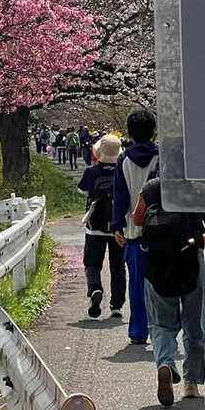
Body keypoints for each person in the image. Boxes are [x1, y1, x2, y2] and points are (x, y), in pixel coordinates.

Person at [130, 171, 205, 406]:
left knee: (160, 324)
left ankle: (165, 364)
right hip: (191, 261)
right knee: (194, 325)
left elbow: (137, 219)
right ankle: (191, 383)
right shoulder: (199, 189)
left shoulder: (150, 188)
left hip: (157, 263)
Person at [110, 109, 160, 345]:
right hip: (161, 231)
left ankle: (138, 331)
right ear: (154, 131)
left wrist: (117, 226)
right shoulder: (161, 157)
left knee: (137, 283)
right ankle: (162, 328)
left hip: (133, 231)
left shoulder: (124, 160)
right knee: (162, 281)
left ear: (129, 132)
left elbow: (119, 196)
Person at [77, 134, 126, 319]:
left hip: (95, 226)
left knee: (92, 263)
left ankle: (95, 288)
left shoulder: (92, 171)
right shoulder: (123, 170)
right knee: (118, 266)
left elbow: (82, 190)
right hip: (119, 227)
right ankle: (117, 305)